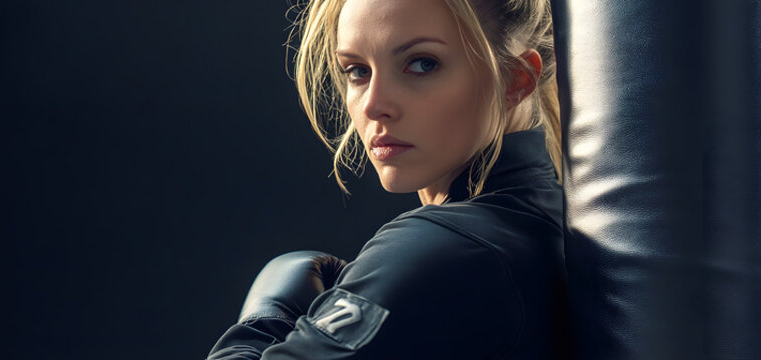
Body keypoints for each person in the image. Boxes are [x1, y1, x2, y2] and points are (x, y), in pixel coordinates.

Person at [206, 0, 569, 358]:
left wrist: (266, 320)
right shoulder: (550, 222)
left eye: (422, 64)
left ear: (516, 79)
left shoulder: (448, 246)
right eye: (357, 71)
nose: (373, 105)